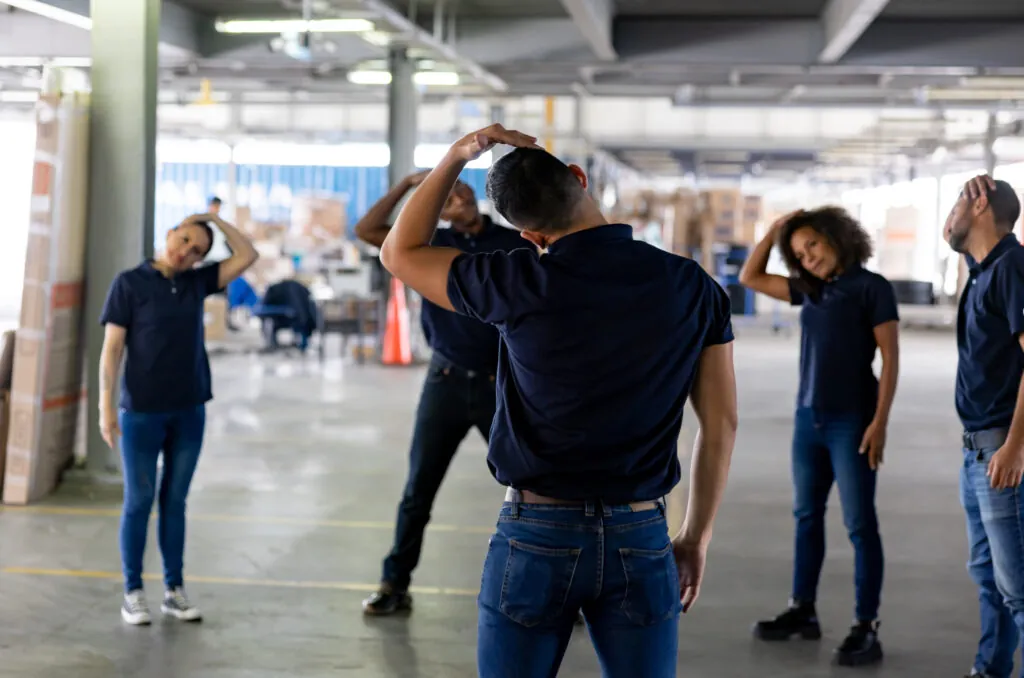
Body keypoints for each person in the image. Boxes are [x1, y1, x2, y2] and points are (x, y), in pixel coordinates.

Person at [377, 124, 737, 677]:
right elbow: (721, 424)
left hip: (535, 533)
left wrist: (458, 154)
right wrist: (695, 537)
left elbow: (398, 251)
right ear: (578, 178)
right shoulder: (692, 285)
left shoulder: (514, 279)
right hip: (640, 535)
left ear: (529, 235)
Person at [353, 169, 529, 615]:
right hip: (445, 383)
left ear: (475, 194)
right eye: (445, 193)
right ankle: (395, 583)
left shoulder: (514, 242)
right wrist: (409, 188)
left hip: (502, 385)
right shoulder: (425, 246)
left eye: (460, 187)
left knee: (533, 487)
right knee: (418, 491)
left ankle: (560, 587)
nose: (456, 196)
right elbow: (368, 230)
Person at [739, 207, 899, 667]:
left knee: (859, 525)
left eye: (812, 245)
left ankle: (866, 626)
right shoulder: (808, 291)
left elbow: (890, 358)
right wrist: (775, 232)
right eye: (798, 254)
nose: (807, 258)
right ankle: (802, 610)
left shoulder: (873, 288)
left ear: (835, 236)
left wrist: (880, 421)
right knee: (807, 516)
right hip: (807, 421)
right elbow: (751, 276)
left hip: (853, 423)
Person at [98, 212, 259, 625]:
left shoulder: (196, 282)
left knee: (175, 502)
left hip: (189, 409)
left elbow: (248, 254)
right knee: (139, 500)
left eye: (197, 251)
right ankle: (133, 591)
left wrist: (216, 221)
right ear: (170, 232)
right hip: (140, 413)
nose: (185, 252)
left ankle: (174, 590)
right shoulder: (129, 284)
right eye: (184, 239)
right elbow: (112, 349)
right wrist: (105, 408)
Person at [943, 174, 1024, 678]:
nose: (947, 220)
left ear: (977, 205)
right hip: (977, 449)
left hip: (1000, 448)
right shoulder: (983, 271)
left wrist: (1014, 447)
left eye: (954, 205)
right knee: (989, 578)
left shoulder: (1014, 267)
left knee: (1017, 586)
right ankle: (989, 669)